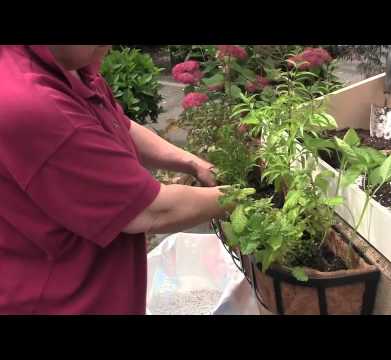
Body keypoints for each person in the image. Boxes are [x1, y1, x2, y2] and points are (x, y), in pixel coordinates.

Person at [0, 45, 228, 314]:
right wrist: (250, 198)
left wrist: (192, 162)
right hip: (65, 300)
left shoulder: (66, 63)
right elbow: (151, 211)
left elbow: (118, 124)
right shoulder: (32, 103)